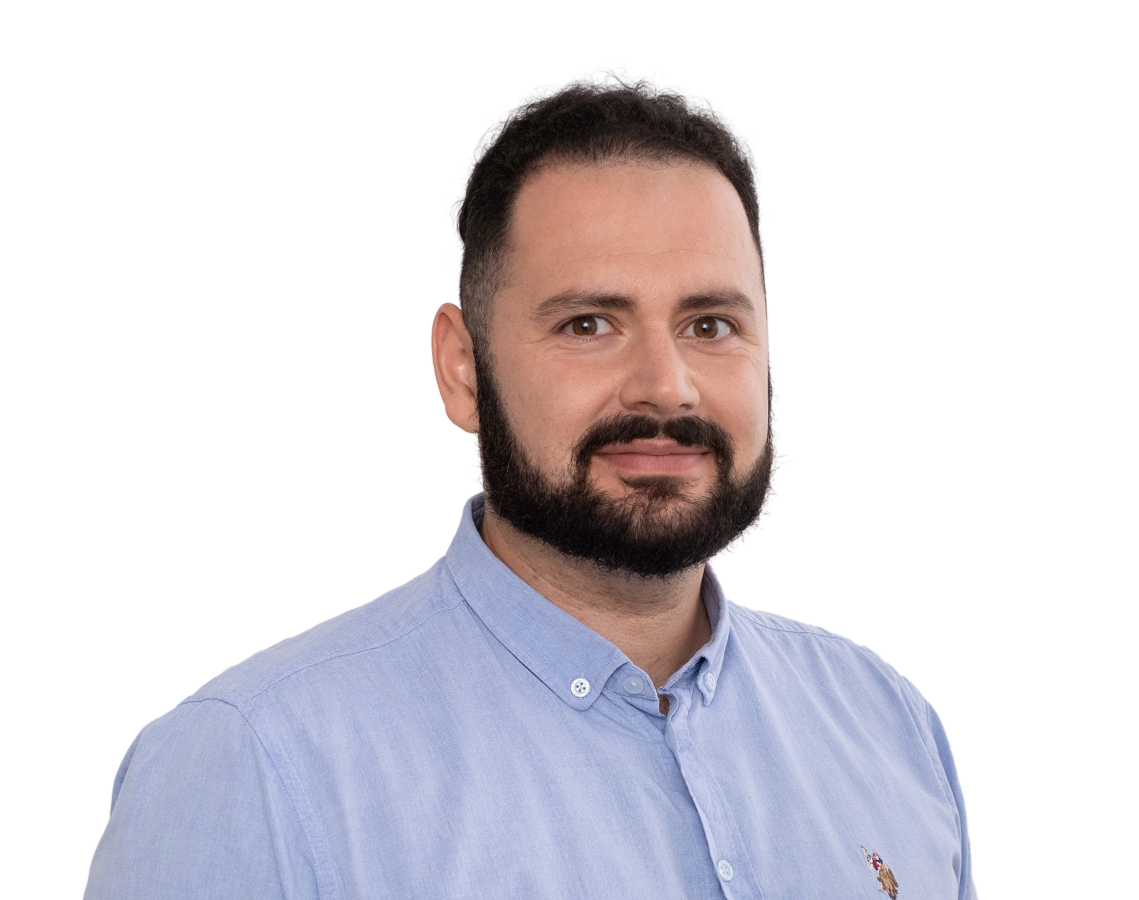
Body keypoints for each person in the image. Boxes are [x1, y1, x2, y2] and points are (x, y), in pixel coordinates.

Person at [84, 67, 978, 899]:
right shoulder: (252, 763)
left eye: (710, 324)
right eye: (589, 323)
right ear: (461, 370)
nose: (666, 386)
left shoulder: (886, 721)